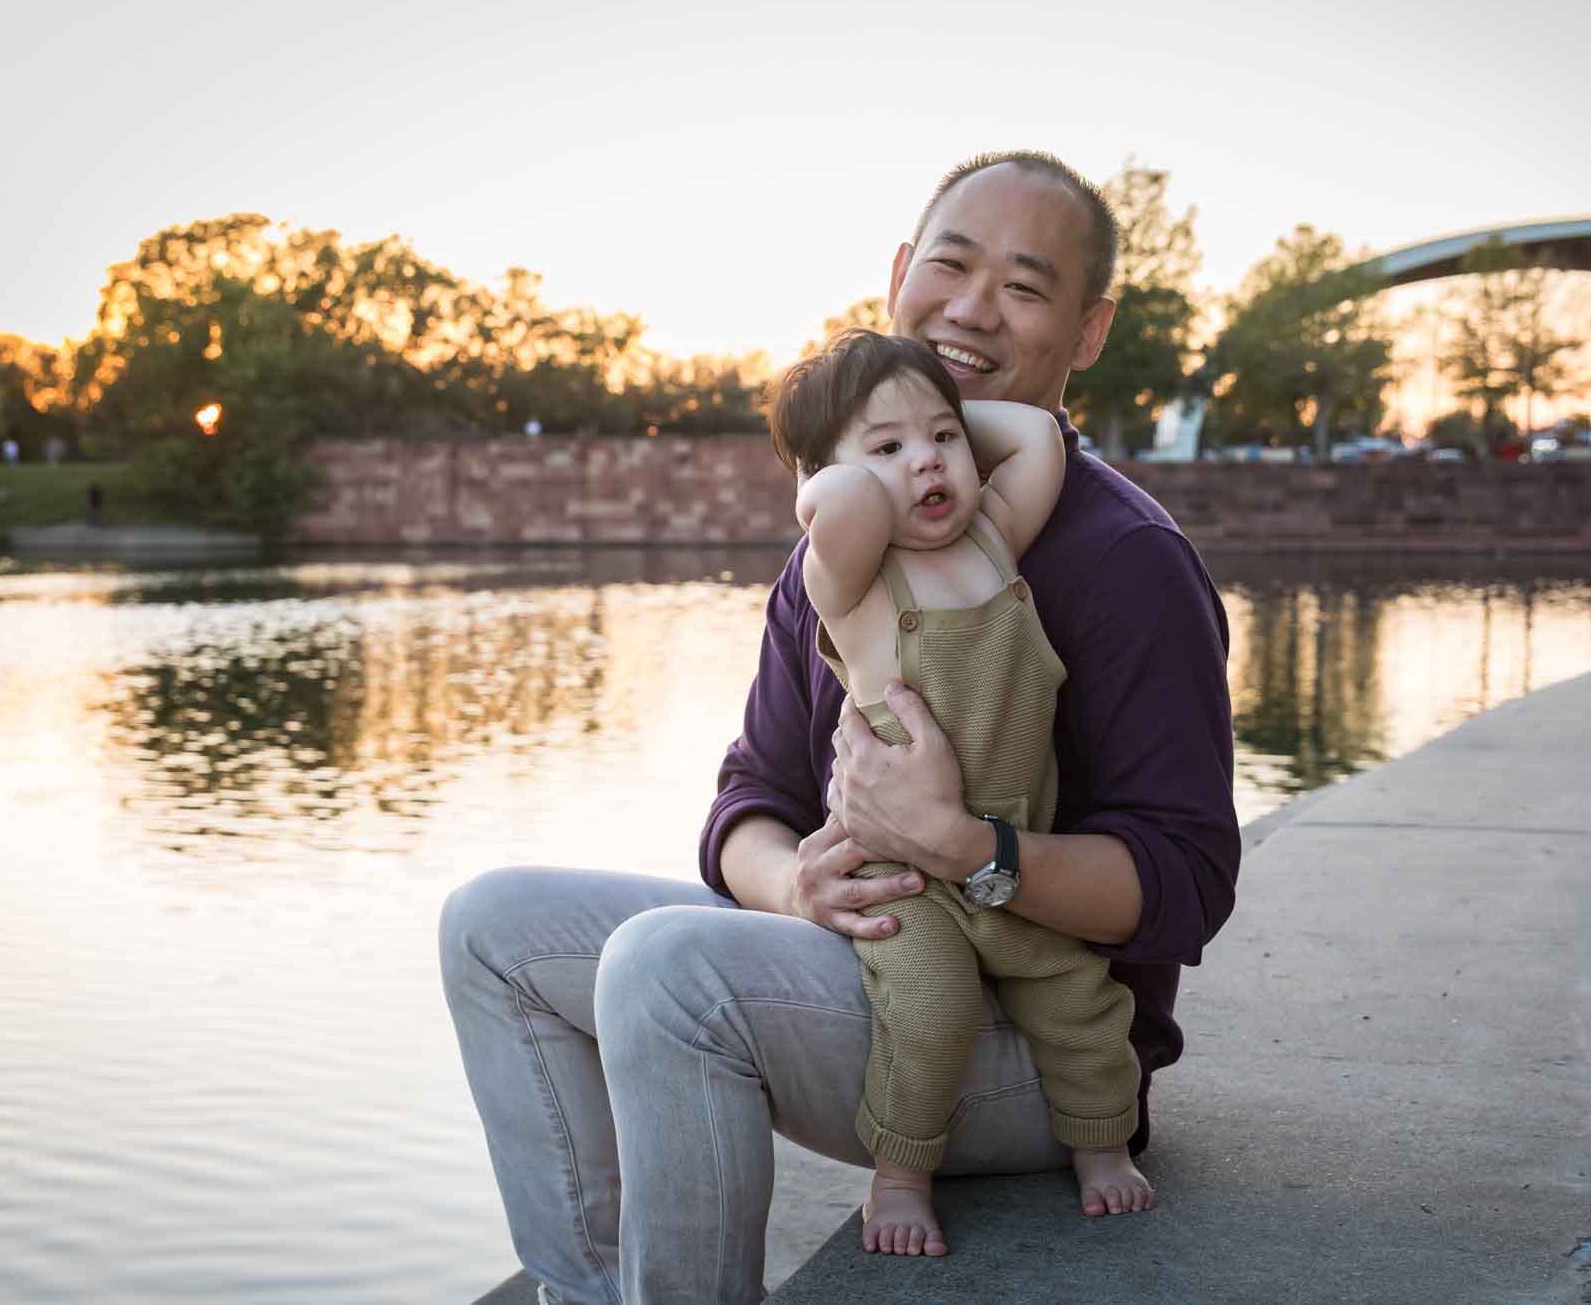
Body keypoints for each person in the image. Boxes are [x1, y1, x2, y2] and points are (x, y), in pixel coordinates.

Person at [440, 151, 1241, 1305]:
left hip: (1033, 1056)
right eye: (951, 267)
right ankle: (587, 1290)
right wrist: (793, 887)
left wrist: (972, 847)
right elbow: (746, 798)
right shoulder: (841, 547)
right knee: (491, 926)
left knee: (667, 966)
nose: (970, 308)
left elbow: (1187, 880)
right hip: (862, 960)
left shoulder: (1127, 559)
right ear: (900, 275)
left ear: (1087, 329)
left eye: (1023, 287)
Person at [770, 328, 1146, 1255]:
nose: (928, 462)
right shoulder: (852, 578)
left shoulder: (991, 533)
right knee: (929, 1014)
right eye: (888, 448)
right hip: (907, 875)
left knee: (1082, 1001)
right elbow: (846, 505)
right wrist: (833, 468)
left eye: (943, 438)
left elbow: (1038, 433)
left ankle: (1100, 1146)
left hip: (1010, 851)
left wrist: (921, 405)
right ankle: (900, 1173)